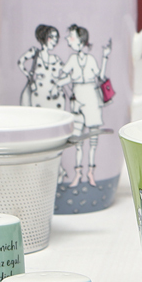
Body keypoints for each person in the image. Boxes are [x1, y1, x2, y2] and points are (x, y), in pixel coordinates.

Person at [56, 24, 111, 186]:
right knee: (78, 141)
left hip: (92, 101)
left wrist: (105, 57)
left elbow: (100, 76)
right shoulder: (72, 60)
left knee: (93, 141)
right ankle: (78, 174)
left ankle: (91, 173)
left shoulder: (90, 59)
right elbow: (64, 76)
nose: (68, 39)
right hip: (78, 103)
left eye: (71, 37)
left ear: (80, 40)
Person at [17, 24, 65, 109]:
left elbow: (67, 71)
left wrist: (58, 85)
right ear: (43, 37)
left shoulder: (56, 59)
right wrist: (29, 77)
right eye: (51, 37)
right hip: (37, 95)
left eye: (56, 37)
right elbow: (20, 62)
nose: (55, 40)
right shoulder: (35, 52)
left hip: (55, 97)